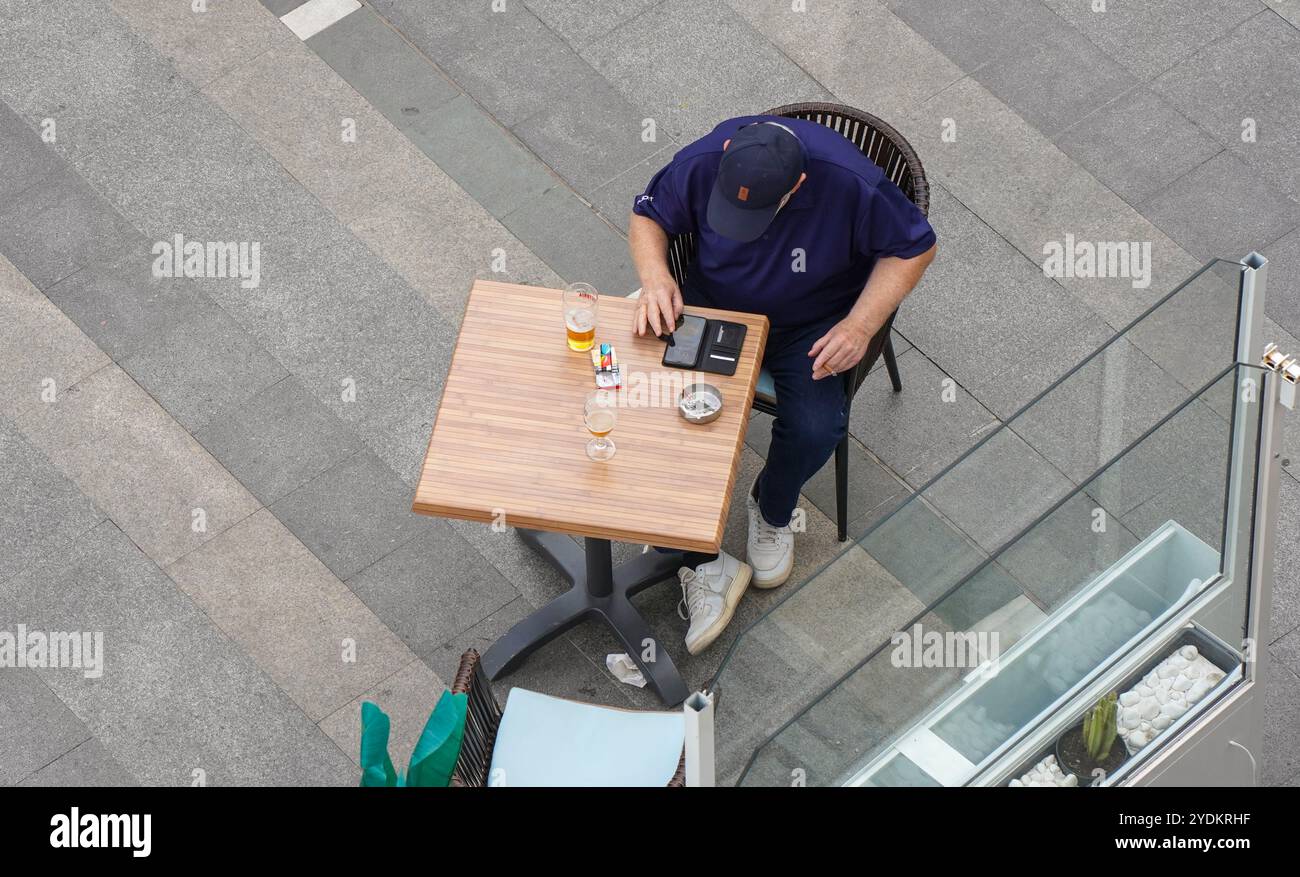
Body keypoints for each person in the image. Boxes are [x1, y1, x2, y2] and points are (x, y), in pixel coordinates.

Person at [628, 115, 937, 655]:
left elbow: (914, 248)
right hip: (714, 306)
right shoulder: (703, 160)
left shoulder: (852, 184)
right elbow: (648, 218)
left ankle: (772, 505)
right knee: (664, 412)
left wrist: (860, 326)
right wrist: (656, 278)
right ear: (725, 152)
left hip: (810, 324)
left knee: (818, 427)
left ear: (796, 187)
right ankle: (701, 558)